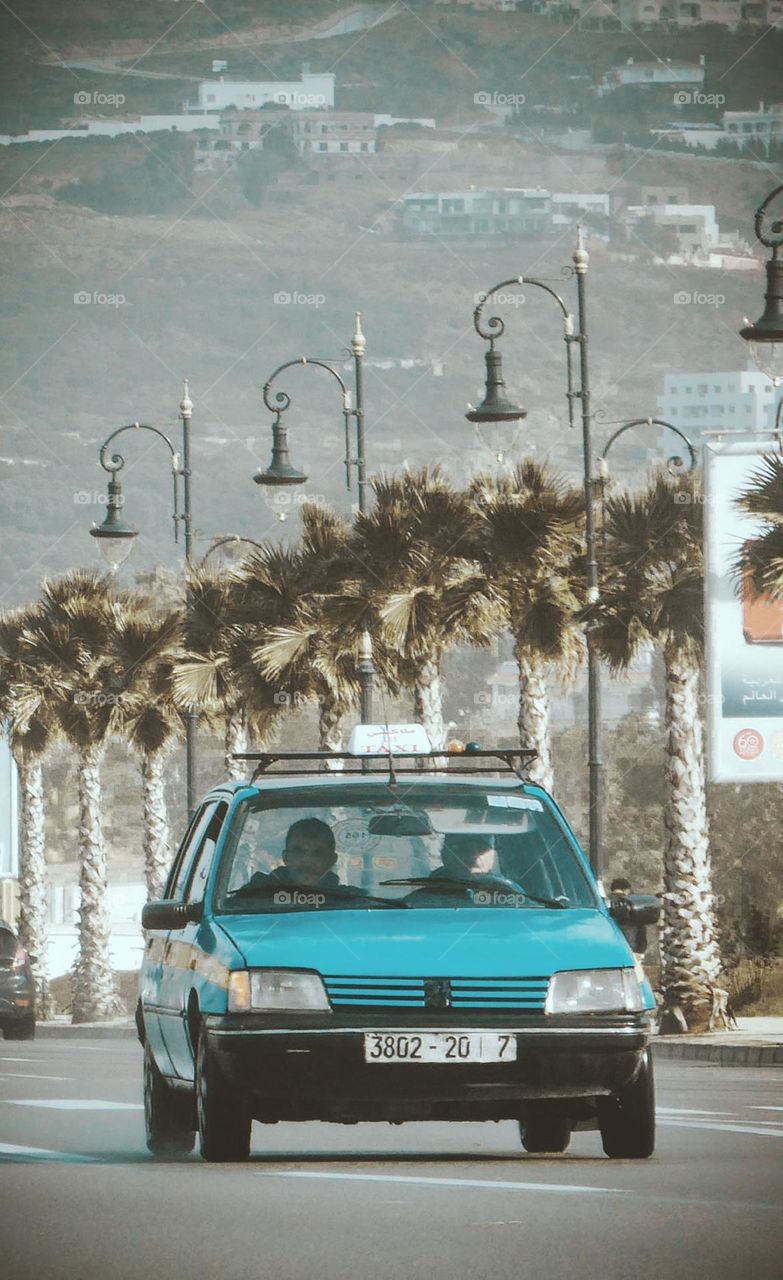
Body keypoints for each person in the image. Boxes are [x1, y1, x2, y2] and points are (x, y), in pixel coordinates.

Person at [239, 818, 341, 893]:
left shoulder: (350, 903)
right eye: (298, 852)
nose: (307, 860)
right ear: (286, 857)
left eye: (318, 853)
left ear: (331, 861)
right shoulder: (253, 897)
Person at [609, 876, 648, 961]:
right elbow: (641, 929)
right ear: (627, 890)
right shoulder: (633, 903)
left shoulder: (603, 902)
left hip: (609, 948)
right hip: (630, 949)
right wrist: (641, 951)